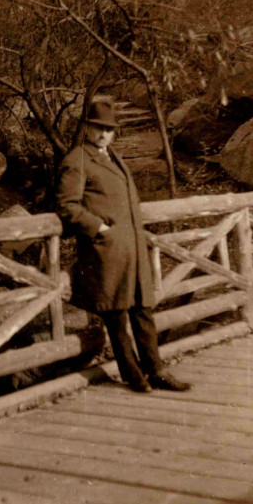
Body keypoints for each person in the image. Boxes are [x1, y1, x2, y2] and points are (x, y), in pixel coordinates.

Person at [56, 96, 190, 394]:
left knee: (143, 310)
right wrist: (100, 228)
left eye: (109, 128)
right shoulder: (77, 159)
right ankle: (134, 376)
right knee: (116, 316)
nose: (103, 133)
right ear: (87, 128)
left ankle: (157, 370)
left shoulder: (112, 155)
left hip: (131, 250)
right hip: (106, 251)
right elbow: (68, 206)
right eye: (98, 127)